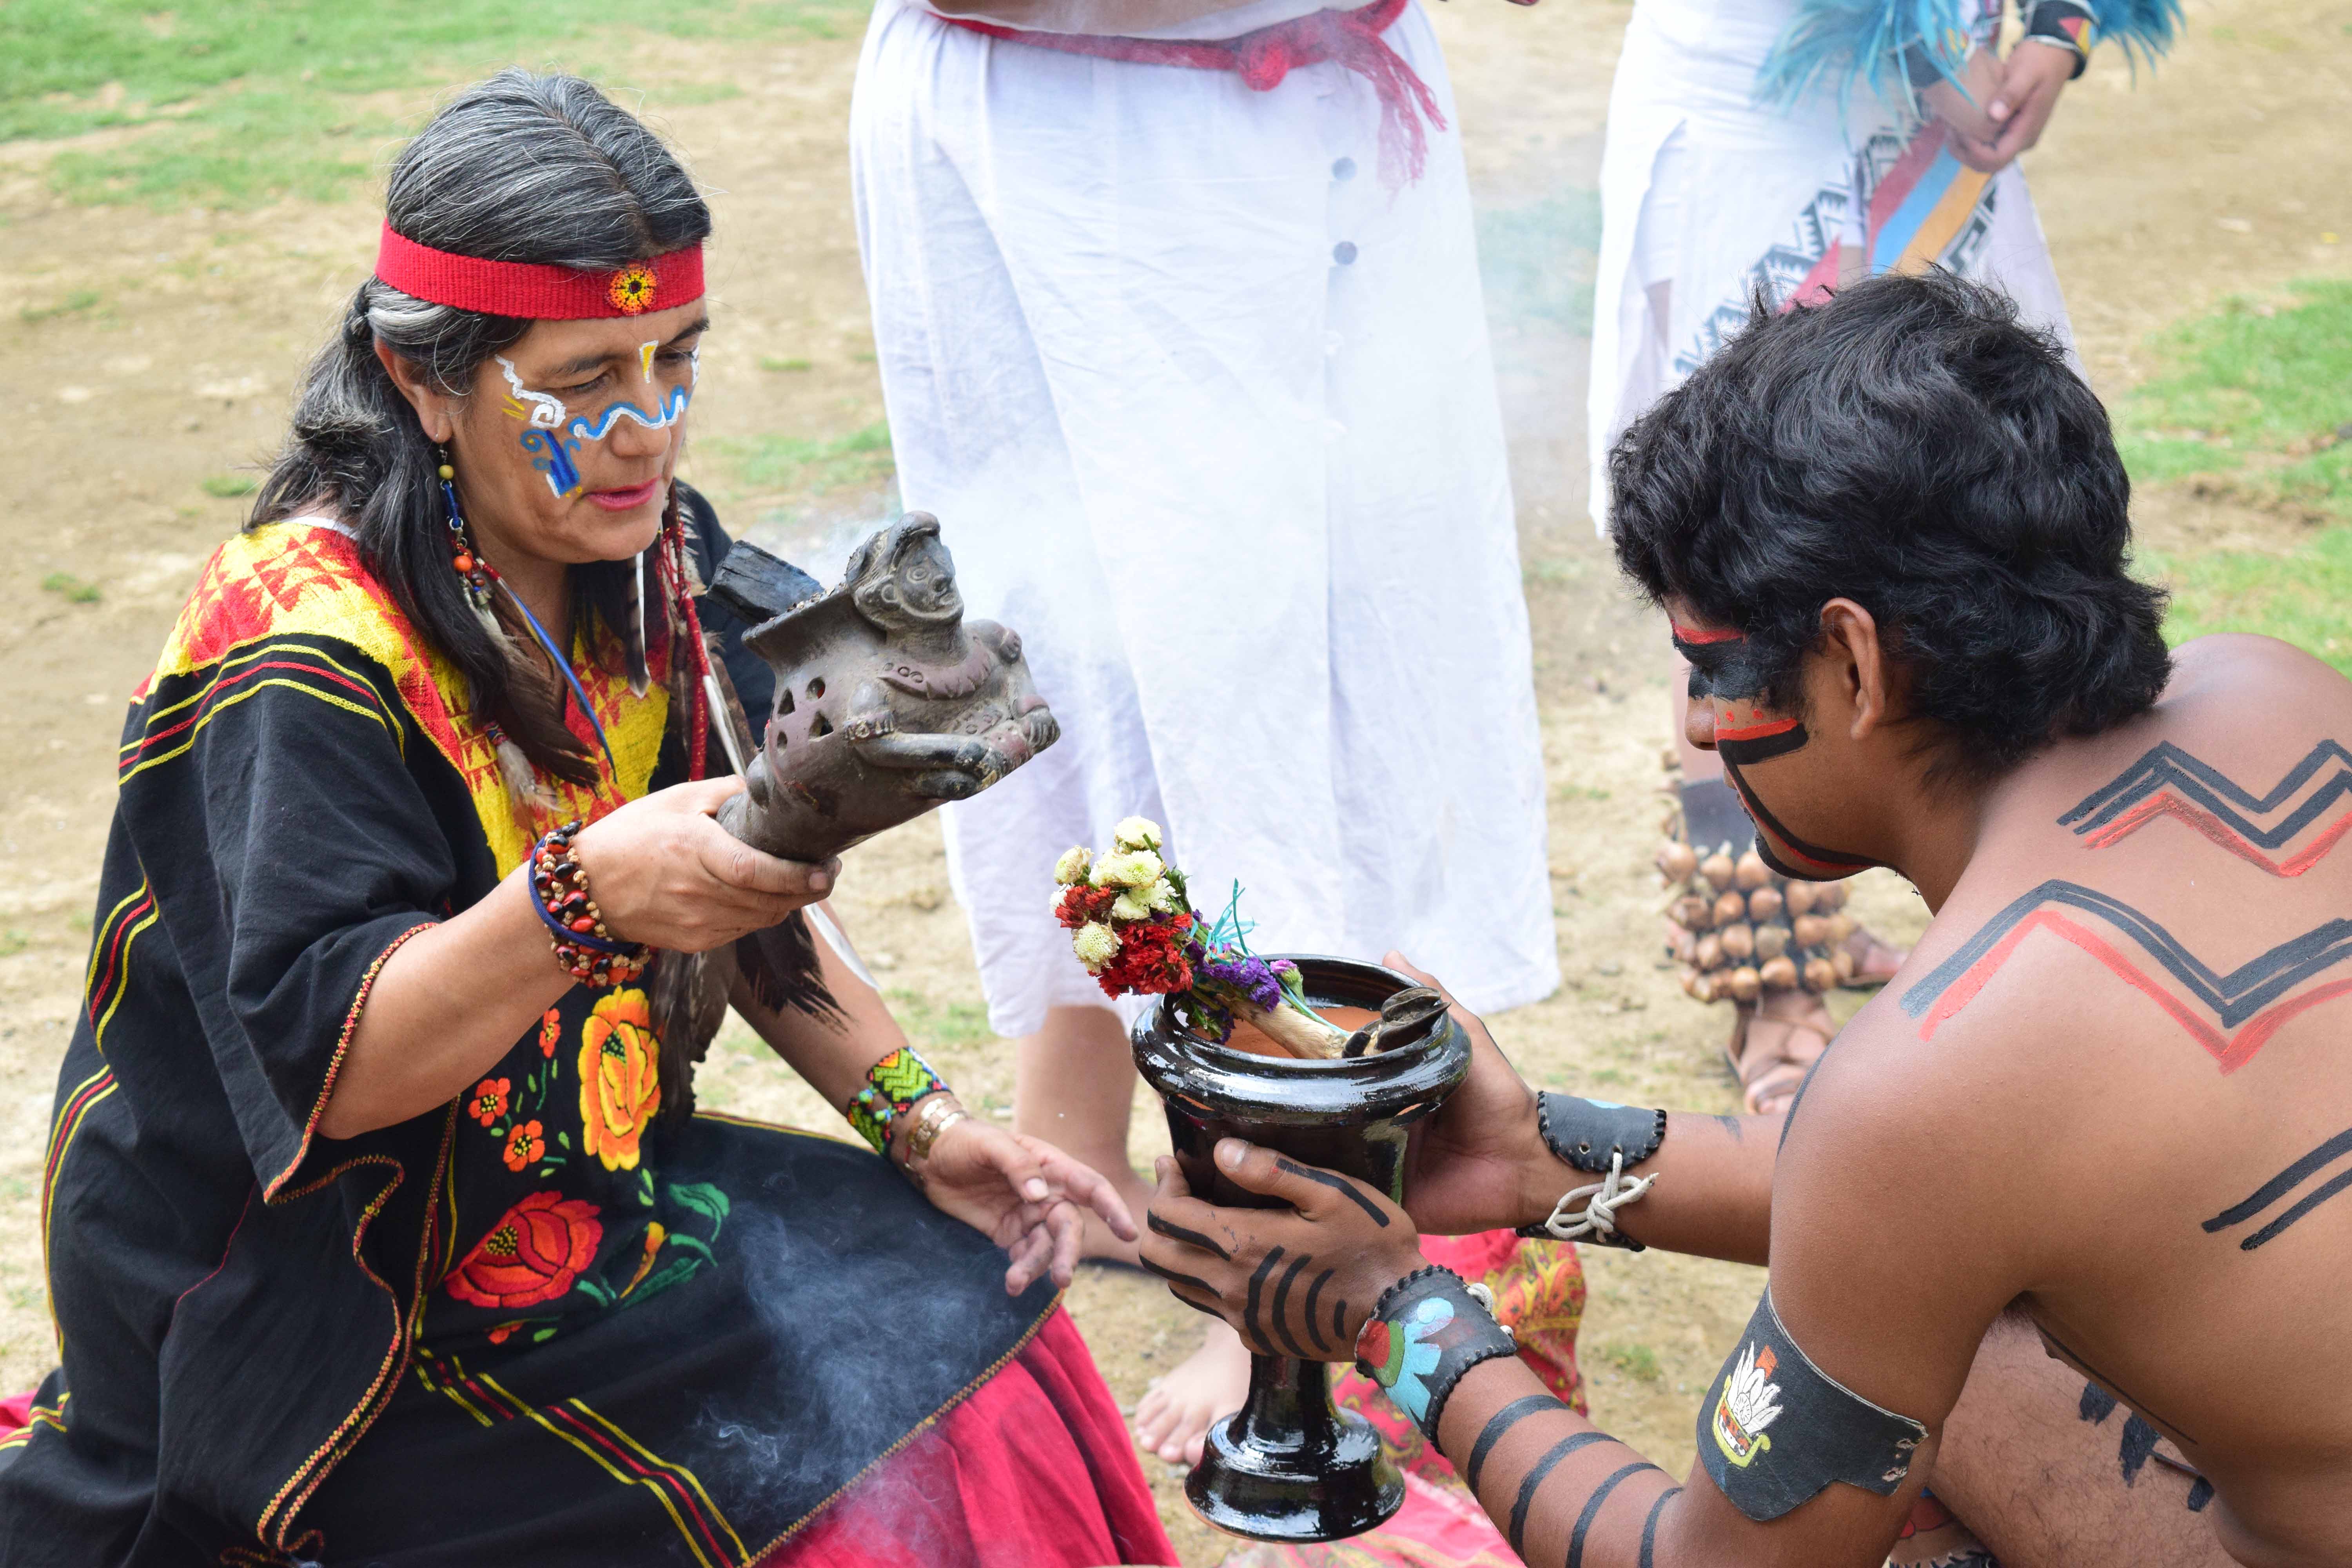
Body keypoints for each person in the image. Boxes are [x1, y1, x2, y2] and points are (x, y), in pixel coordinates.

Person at [0, 72, 1175, 1568]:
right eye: (585, 377)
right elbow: (337, 1076)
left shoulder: (650, 557)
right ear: (423, 377)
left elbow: (752, 885)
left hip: (576, 1203)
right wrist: (587, 900)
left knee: (974, 1348)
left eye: (675, 357)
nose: (648, 429)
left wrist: (923, 1122)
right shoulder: (300, 646)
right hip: (314, 1291)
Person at [1142, 272, 2352, 1564]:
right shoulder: (2281, 702)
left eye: (1711, 668)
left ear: (1854, 663)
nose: (1699, 728)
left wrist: (1403, 1316)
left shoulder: (1938, 1084)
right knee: (1963, 1353)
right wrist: (1542, 1161)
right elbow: (1963, 1187)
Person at [849, 0, 1559, 1464]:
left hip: (1220, 108)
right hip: (983, 81)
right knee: (1032, 613)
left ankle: (1276, 1270)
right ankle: (1079, 1130)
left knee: (1246, 674)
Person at [1590, 0, 2180, 1114]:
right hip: (1761, 107)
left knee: (1976, 510)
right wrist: (1914, 49)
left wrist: (2061, 30)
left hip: (1949, 116)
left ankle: (2015, 922)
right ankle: (1770, 982)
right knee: (1743, 554)